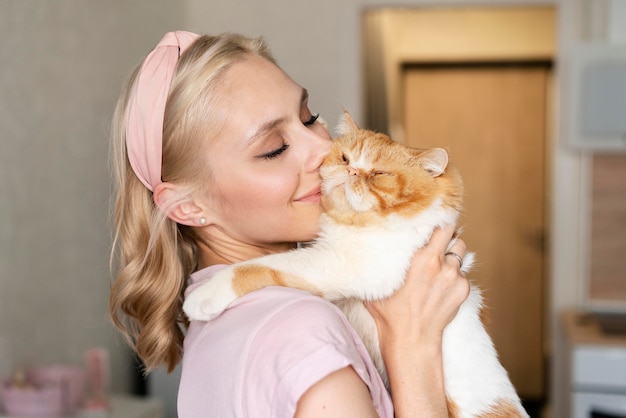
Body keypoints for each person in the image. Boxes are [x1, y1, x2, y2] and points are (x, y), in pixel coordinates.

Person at [109, 31, 470, 417]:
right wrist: (414, 347)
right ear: (186, 206)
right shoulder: (299, 328)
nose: (325, 149)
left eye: (309, 118)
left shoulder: (223, 315)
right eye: (274, 149)